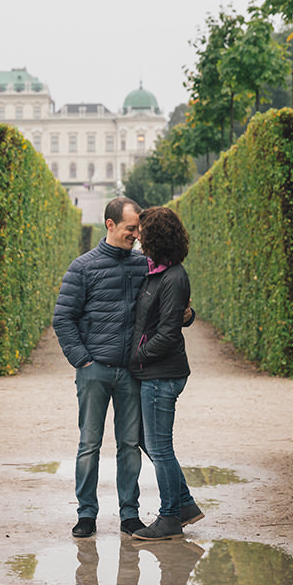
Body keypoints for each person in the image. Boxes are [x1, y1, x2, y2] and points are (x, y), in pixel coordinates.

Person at [53, 198, 192, 538]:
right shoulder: (82, 267)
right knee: (89, 444)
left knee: (129, 446)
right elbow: (63, 318)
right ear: (110, 225)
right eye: (131, 228)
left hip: (133, 372)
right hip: (95, 369)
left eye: (139, 229)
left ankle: (129, 514)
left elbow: (171, 309)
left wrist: (189, 316)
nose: (137, 235)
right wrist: (82, 360)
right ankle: (87, 514)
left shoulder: (145, 265)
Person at [127, 206, 203, 541]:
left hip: (161, 374)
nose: (137, 235)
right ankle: (184, 504)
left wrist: (137, 356)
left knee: (160, 447)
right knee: (148, 440)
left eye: (141, 230)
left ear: (154, 236)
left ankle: (170, 516)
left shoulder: (172, 276)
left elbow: (169, 333)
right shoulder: (160, 271)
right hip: (156, 372)